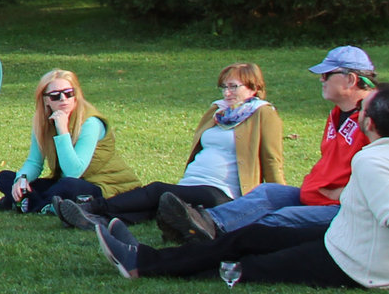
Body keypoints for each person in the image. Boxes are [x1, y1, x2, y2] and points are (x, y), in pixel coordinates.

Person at [92, 86, 389, 294]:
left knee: (249, 262)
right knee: (252, 235)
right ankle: (146, 260)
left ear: (370, 124)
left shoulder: (371, 159)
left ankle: (143, 265)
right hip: (349, 241)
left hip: (355, 264)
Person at [159, 46, 375, 244]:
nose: (321, 79)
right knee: (268, 193)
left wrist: (348, 194)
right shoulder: (337, 114)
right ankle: (203, 223)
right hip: (315, 197)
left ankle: (213, 242)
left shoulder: (378, 116)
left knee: (276, 220)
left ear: (351, 79)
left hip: (343, 210)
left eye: (327, 74)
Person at [51, 63, 281, 226]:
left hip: (223, 193)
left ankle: (93, 207)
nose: (227, 92)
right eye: (224, 87)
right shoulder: (218, 111)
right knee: (156, 206)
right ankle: (97, 220)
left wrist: (279, 200)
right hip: (193, 183)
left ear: (252, 87)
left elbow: (272, 159)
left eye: (234, 87)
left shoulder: (263, 114)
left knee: (158, 190)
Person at [0, 70, 139, 215]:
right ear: (46, 100)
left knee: (67, 186)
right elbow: (34, 162)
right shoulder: (42, 121)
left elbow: (73, 172)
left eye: (68, 93)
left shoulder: (91, 123)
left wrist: (62, 130)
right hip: (63, 181)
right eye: (55, 96)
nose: (63, 99)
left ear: (75, 95)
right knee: (5, 178)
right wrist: (21, 180)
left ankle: (31, 204)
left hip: (102, 185)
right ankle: (43, 204)